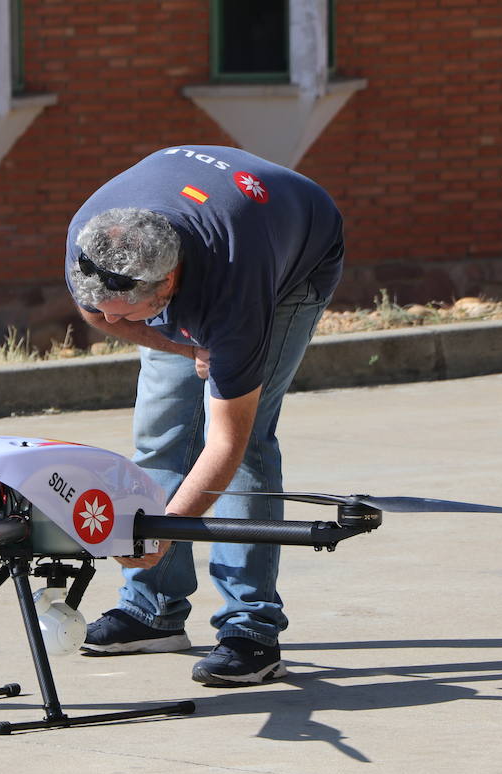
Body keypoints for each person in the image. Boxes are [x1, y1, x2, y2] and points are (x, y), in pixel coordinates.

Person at [64, 145, 344, 687]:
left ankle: (251, 631)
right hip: (206, 226)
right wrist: (182, 347)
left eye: (126, 310)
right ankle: (152, 610)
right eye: (103, 305)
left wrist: (159, 533)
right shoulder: (94, 242)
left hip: (293, 254)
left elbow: (226, 445)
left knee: (250, 447)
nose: (109, 318)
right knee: (160, 436)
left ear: (167, 286)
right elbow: (97, 311)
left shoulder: (235, 291)